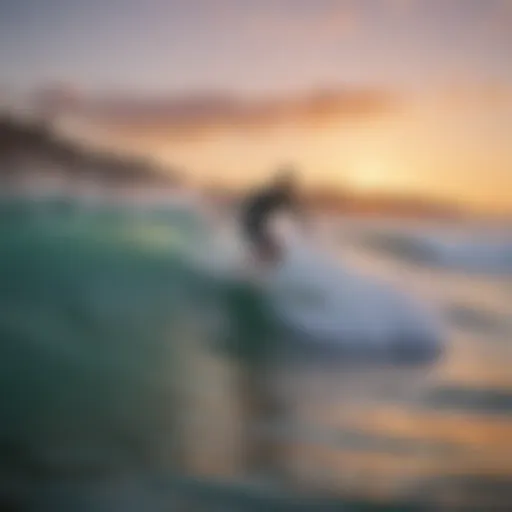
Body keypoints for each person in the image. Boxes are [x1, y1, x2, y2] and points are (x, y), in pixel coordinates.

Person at [240, 166, 306, 266]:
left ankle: (255, 266)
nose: (292, 189)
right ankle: (254, 267)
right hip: (252, 222)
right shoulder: (277, 194)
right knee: (271, 248)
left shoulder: (275, 193)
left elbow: (295, 211)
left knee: (271, 249)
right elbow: (295, 210)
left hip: (254, 222)